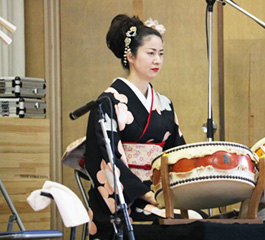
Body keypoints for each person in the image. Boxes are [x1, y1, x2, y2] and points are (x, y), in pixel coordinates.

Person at [84, 14, 185, 239]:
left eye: (161, 54)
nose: (157, 60)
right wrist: (146, 195)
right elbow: (104, 160)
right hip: (125, 201)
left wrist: (173, 193)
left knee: (195, 222)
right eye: (150, 53)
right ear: (130, 55)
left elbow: (177, 153)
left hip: (159, 196)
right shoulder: (107, 102)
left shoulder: (165, 105)